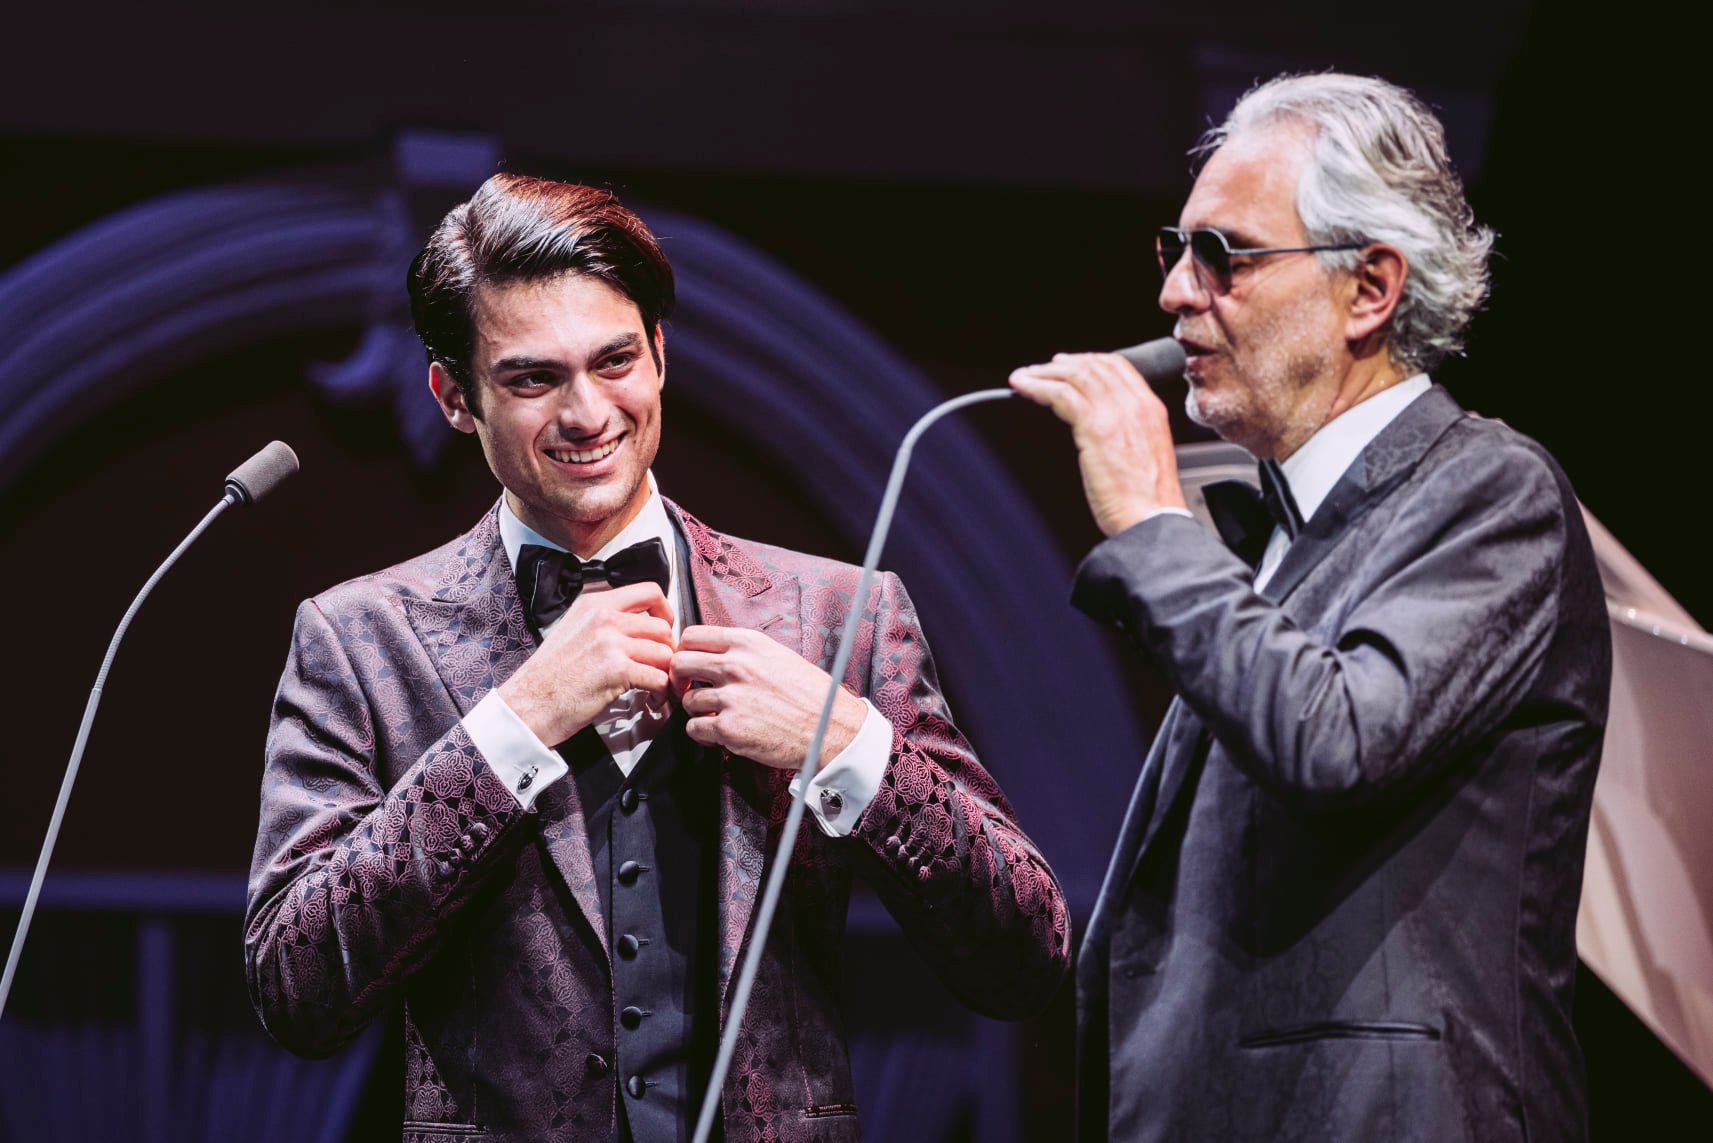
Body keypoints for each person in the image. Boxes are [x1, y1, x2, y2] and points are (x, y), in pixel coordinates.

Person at [245, 173, 1070, 1143]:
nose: (588, 412)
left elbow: (1026, 958)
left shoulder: (835, 614)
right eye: (533, 379)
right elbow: (295, 987)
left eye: (615, 361)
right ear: (454, 396)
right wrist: (513, 726)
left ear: (661, 356)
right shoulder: (359, 637)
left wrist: (849, 744)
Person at [1011, 73, 1609, 1141]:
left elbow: (1338, 741)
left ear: (1368, 290)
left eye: (1224, 255)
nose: (1176, 293)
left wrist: (1151, 522)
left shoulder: (1490, 492)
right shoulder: (1280, 528)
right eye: (1175, 249)